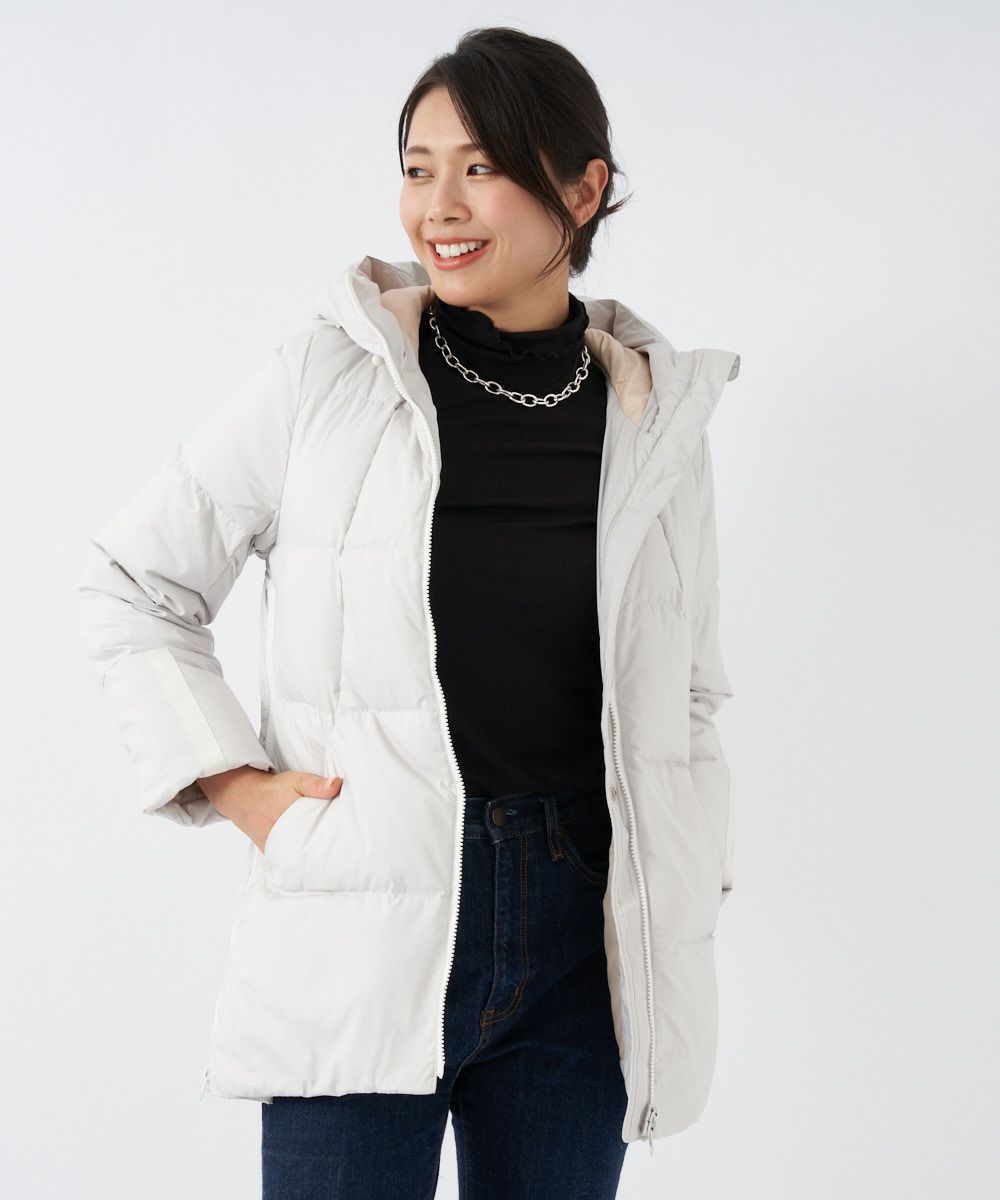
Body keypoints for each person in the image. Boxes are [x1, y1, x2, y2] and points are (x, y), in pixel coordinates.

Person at [78, 25, 740, 1199]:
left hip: (582, 930)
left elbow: (685, 685)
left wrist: (679, 860)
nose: (439, 205)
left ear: (582, 190)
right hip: (363, 908)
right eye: (417, 166)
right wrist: (235, 784)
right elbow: (135, 583)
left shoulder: (651, 420)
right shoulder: (326, 380)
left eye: (481, 167)